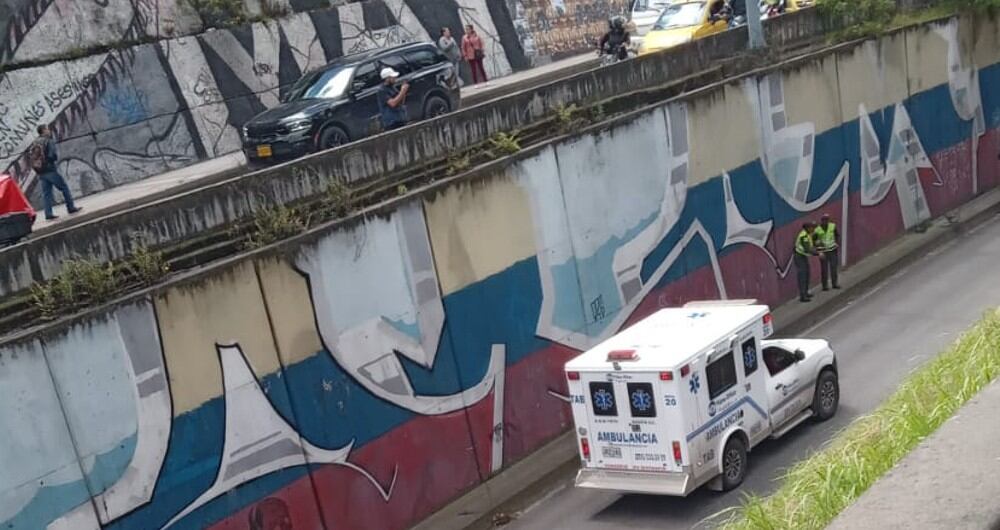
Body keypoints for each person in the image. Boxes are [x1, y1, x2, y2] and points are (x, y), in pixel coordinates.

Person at [30, 124, 80, 221]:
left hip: (40, 171)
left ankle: (48, 214)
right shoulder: (48, 140)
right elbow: (52, 154)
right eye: (47, 129)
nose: (49, 131)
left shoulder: (35, 142)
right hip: (50, 170)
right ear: (44, 131)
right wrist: (52, 160)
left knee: (46, 193)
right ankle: (71, 207)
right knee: (64, 187)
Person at [376, 67, 409, 131]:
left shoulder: (392, 87)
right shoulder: (382, 90)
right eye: (392, 77)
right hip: (392, 122)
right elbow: (393, 103)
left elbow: (401, 102)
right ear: (387, 78)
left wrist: (403, 92)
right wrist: (402, 91)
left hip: (400, 118)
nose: (395, 79)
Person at [814, 214, 840, 290]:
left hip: (832, 250)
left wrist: (837, 243)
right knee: (824, 270)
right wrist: (819, 252)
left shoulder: (832, 226)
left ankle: (834, 284)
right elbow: (814, 241)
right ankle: (825, 286)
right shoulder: (817, 230)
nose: (825, 221)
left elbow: (837, 235)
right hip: (823, 252)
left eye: (827, 220)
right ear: (821, 221)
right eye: (824, 220)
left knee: (833, 268)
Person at [794, 221, 818, 302]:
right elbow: (807, 249)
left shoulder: (807, 234)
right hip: (800, 257)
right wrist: (818, 253)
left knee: (807, 274)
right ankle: (803, 296)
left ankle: (806, 292)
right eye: (811, 227)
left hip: (803, 257)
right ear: (807, 228)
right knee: (803, 276)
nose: (813, 229)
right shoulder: (803, 236)